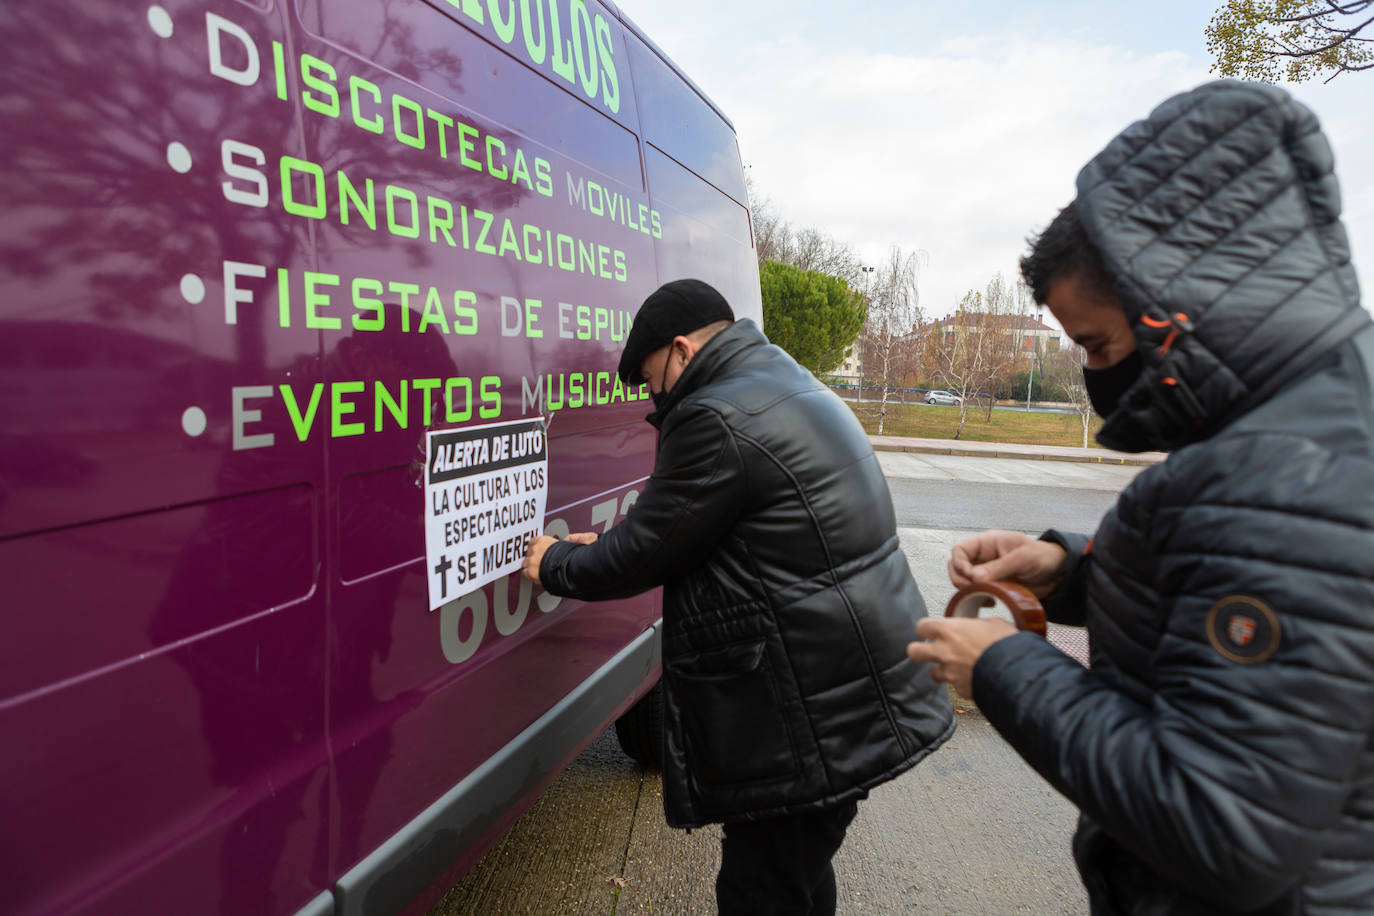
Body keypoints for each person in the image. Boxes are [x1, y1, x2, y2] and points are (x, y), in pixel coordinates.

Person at [907, 79, 1374, 915]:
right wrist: (1070, 568)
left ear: (1175, 311)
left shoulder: (1281, 475)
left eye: (1094, 343)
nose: (1093, 373)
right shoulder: (1320, 416)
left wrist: (1004, 669)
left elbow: (1227, 826)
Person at [522, 278, 953, 915]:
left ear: (681, 350)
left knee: (761, 889)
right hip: (854, 686)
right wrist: (607, 543)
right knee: (796, 871)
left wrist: (555, 560)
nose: (654, 398)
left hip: (816, 712)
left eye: (650, 378)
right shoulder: (782, 381)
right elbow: (701, 523)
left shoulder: (713, 414)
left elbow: (646, 551)